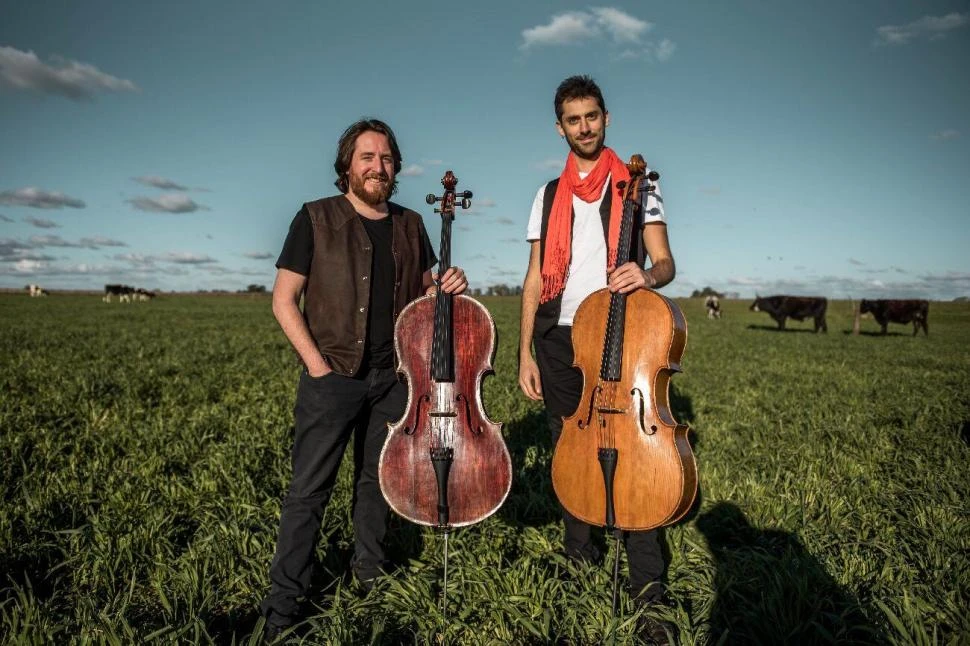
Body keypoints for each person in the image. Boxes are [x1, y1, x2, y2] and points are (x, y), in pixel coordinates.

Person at [261, 118, 467, 636]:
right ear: (347, 166)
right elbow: (284, 300)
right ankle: (283, 606)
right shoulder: (315, 217)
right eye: (368, 157)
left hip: (393, 378)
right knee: (309, 491)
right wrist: (317, 367)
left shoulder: (411, 223)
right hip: (331, 377)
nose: (379, 166)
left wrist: (444, 284)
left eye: (387, 158)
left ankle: (370, 578)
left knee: (377, 483)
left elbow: (424, 291)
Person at [517, 76, 678, 645]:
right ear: (559, 127)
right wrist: (524, 351)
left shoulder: (639, 185)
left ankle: (648, 588)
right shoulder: (547, 195)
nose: (583, 127)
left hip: (620, 332)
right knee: (569, 449)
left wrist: (646, 275)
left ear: (606, 118)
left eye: (591, 116)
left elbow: (666, 263)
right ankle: (578, 561)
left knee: (633, 455)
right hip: (559, 337)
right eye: (573, 119)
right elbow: (534, 276)